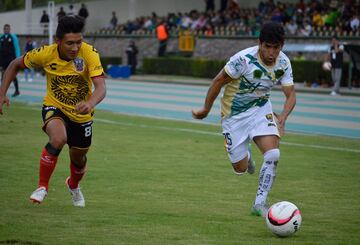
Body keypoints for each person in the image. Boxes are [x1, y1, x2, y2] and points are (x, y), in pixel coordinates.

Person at [0, 15, 106, 207]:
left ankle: (73, 185)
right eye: (70, 43)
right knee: (58, 138)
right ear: (58, 41)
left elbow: (101, 87)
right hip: (54, 106)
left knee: (79, 158)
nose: (75, 48)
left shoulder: (89, 53)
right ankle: (42, 187)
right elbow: (14, 64)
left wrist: (90, 103)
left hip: (82, 116)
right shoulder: (45, 54)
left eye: (79, 42)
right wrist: (2, 94)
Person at [192, 21, 296, 217]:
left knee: (273, 154)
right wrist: (206, 108)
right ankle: (246, 157)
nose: (271, 53)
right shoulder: (242, 60)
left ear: (281, 46)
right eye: (267, 47)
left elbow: (291, 94)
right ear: (259, 43)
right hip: (234, 116)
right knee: (239, 168)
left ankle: (260, 203)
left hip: (260, 109)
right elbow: (217, 82)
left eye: (276, 47)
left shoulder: (284, 63)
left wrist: (282, 118)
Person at [0, 24, 21, 97]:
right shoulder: (1, 37)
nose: (6, 30)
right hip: (3, 60)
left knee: (12, 75)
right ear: (3, 30)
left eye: (7, 29)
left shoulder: (13, 37)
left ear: (9, 29)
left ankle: (17, 90)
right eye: (5, 29)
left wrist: (18, 58)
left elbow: (17, 48)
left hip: (11, 59)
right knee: (3, 75)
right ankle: (2, 92)